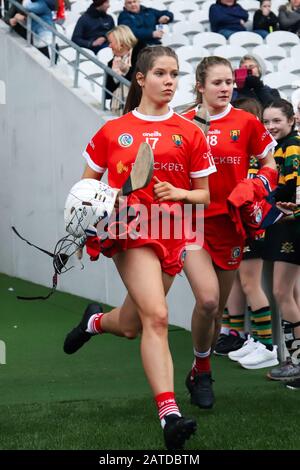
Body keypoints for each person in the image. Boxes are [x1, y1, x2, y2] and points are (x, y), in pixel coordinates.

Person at [63, 46, 216, 450]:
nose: (170, 81)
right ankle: (169, 414)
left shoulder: (190, 132)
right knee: (160, 317)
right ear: (141, 78)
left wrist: (180, 192)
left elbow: (205, 195)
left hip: (172, 231)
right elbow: (85, 189)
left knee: (133, 325)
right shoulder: (112, 131)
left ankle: (95, 322)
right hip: (129, 231)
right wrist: (89, 219)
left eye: (175, 74)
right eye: (162, 73)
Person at [181, 56, 277, 408]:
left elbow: (270, 166)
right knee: (206, 300)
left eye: (228, 83)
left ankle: (197, 366)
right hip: (192, 224)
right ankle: (203, 371)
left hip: (231, 226)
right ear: (200, 86)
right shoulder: (184, 123)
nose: (225, 89)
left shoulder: (247, 122)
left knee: (216, 308)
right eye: (217, 83)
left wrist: (254, 186)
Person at [261, 98, 300, 382]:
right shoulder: (280, 147)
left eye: (276, 121)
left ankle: (297, 360)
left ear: (290, 121)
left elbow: (289, 186)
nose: (271, 126)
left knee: (282, 293)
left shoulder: (292, 146)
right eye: (266, 121)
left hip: (291, 223)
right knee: (291, 294)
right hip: (285, 223)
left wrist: (260, 200)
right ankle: (294, 359)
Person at [105, 25, 145, 114]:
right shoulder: (111, 63)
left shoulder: (143, 55)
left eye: (111, 42)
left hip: (140, 108)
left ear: (121, 42)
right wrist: (115, 75)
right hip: (117, 109)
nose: (109, 46)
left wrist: (125, 71)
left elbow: (141, 82)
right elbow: (107, 94)